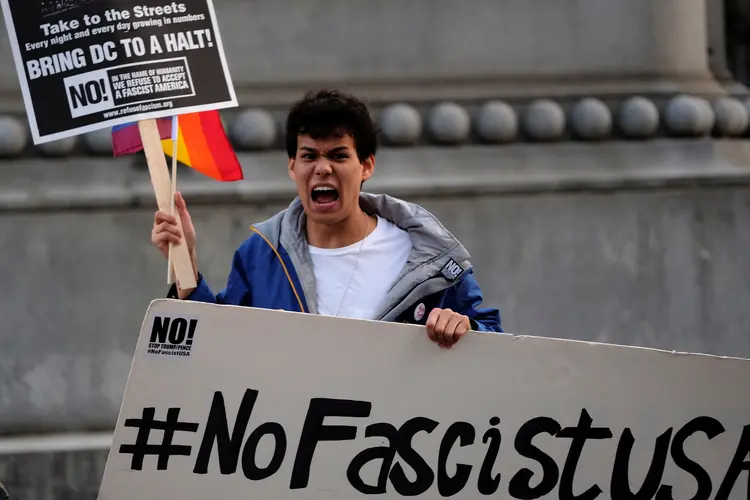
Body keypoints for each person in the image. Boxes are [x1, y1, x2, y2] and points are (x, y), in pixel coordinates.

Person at [152, 89, 502, 348]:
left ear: (366, 165)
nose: (322, 168)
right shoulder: (261, 256)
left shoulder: (430, 257)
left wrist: (465, 329)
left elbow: (495, 342)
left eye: (338, 155)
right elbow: (219, 347)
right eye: (309, 156)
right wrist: (186, 271)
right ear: (292, 167)